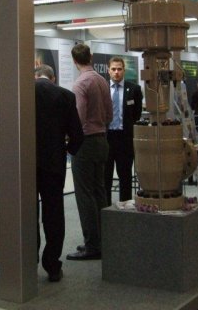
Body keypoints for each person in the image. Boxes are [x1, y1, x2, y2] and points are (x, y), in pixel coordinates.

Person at [34, 65, 84, 281]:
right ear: (53, 78)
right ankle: (52, 265)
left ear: (35, 76)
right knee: (54, 214)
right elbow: (78, 136)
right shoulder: (66, 96)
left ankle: (28, 260)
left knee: (27, 214)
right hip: (54, 165)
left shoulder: (22, 93)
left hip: (26, 164)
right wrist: (65, 151)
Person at [66, 43, 112, 261]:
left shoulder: (80, 83)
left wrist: (69, 138)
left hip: (85, 143)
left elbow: (79, 118)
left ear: (74, 61)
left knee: (84, 195)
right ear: (90, 57)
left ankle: (92, 245)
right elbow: (110, 114)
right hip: (102, 140)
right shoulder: (102, 81)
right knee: (99, 191)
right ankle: (103, 240)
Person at [104, 57, 142, 206]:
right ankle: (106, 208)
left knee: (125, 176)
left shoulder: (134, 89)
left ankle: (125, 208)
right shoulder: (102, 88)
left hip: (125, 139)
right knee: (105, 177)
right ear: (108, 71)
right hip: (106, 138)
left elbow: (137, 114)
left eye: (119, 69)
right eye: (113, 69)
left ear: (124, 70)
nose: (116, 72)